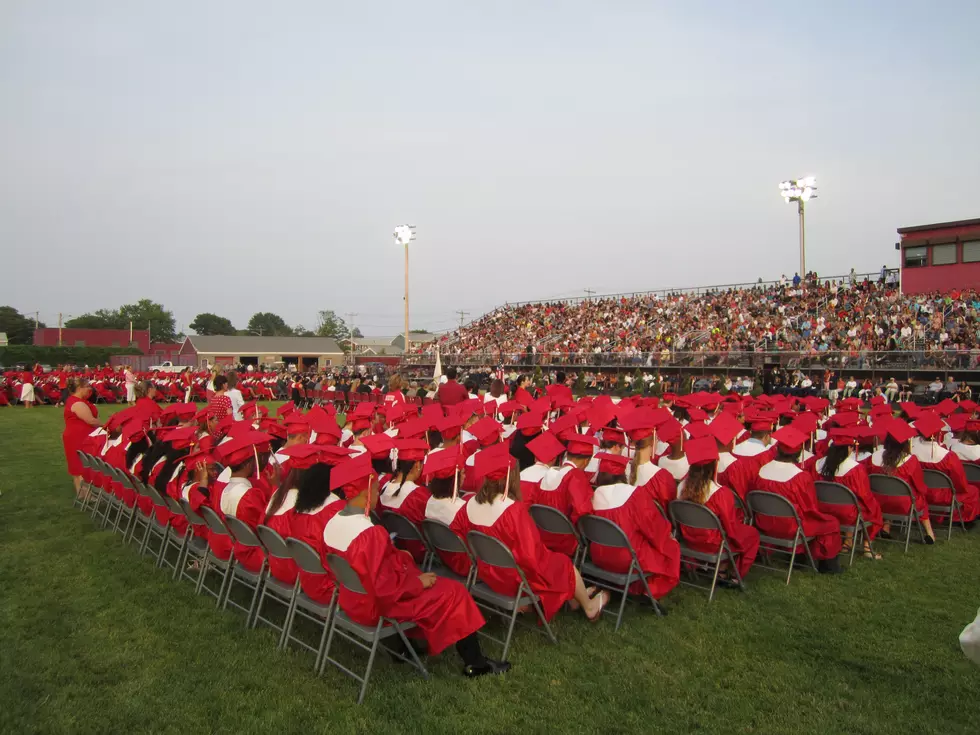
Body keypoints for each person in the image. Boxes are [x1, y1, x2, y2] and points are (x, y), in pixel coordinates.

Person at [323, 454, 509, 677]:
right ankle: (476, 663)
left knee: (422, 575)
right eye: (373, 492)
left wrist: (400, 561)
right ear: (365, 494)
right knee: (455, 592)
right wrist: (416, 583)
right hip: (377, 607)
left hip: (351, 600)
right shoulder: (369, 534)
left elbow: (354, 570)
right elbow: (385, 590)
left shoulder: (331, 523)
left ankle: (401, 647)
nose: (375, 497)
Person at [451, 444, 611, 623]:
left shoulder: (470, 504)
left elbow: (456, 535)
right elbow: (531, 556)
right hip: (514, 580)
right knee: (563, 563)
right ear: (510, 478)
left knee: (554, 562)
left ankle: (575, 598)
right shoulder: (512, 510)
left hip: (488, 573)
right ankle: (589, 607)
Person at [590, 452, 681, 599]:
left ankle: (607, 588)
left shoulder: (594, 495)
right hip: (626, 559)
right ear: (622, 475)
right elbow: (653, 527)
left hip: (598, 556)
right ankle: (649, 590)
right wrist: (668, 536)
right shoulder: (633, 495)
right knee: (670, 548)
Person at [754, 427, 844, 573]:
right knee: (831, 522)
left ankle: (799, 556)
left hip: (764, 523)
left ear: (778, 449)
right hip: (791, 528)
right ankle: (827, 566)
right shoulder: (801, 477)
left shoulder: (762, 470)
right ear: (798, 452)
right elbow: (810, 508)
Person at [675, 438, 759, 580]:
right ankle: (730, 573)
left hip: (688, 539)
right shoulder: (720, 493)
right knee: (750, 533)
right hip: (713, 544)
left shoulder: (680, 487)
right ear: (714, 465)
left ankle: (703, 565)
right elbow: (730, 528)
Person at [812, 428, 883, 559]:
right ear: (849, 449)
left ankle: (848, 541)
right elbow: (863, 494)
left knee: (850, 503)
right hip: (847, 514)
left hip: (822, 508)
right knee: (872, 508)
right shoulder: (855, 468)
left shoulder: (818, 464)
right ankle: (867, 548)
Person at [868, 420, 937, 543]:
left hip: (878, 501)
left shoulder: (874, 457)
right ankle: (930, 533)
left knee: (891, 494)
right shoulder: (910, 460)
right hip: (903, 505)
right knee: (919, 497)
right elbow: (919, 486)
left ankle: (886, 526)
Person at [62, 377, 102, 500]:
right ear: (80, 388)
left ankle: (82, 493)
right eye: (87, 387)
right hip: (78, 436)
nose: (89, 389)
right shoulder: (77, 403)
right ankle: (86, 494)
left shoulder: (77, 401)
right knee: (81, 464)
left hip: (76, 435)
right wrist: (104, 424)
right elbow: (90, 420)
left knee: (78, 463)